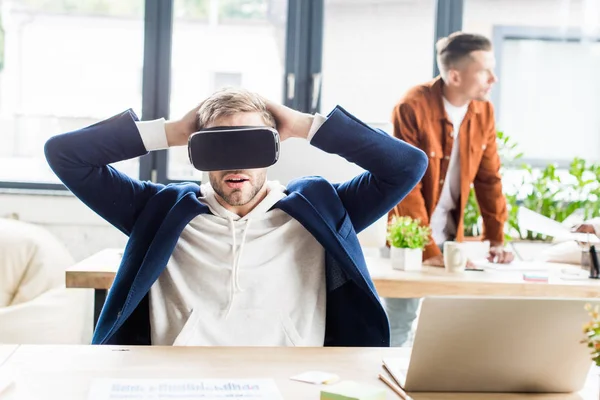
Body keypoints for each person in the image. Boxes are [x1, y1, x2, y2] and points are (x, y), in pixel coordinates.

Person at [44, 88, 428, 346]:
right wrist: (172, 131)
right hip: (177, 381)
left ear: (273, 147)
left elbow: (407, 165)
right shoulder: (160, 210)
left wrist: (304, 125)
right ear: (199, 150)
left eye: (250, 142)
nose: (237, 160)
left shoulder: (319, 210)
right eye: (221, 144)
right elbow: (66, 155)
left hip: (289, 380)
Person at [384, 32, 514, 347]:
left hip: (453, 239)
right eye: (485, 71)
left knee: (450, 328)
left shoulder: (483, 111)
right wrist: (428, 251)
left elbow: (489, 178)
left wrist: (496, 237)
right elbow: (406, 184)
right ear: (455, 75)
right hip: (410, 239)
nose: (493, 79)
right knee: (399, 324)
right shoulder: (411, 106)